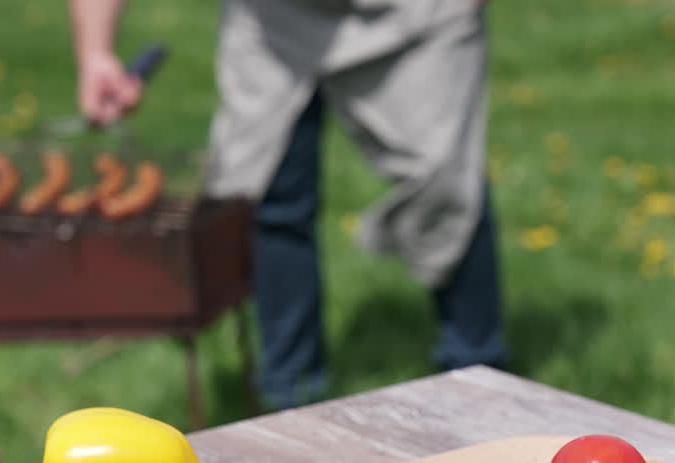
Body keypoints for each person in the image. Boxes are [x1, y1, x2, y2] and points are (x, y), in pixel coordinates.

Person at [70, 0, 507, 410]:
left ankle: (479, 383)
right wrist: (96, 53)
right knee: (268, 197)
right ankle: (289, 399)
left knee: (448, 184)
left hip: (413, 14)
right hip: (272, 21)